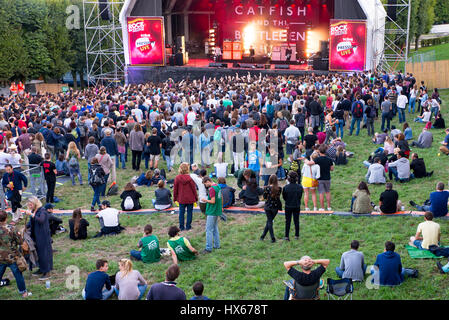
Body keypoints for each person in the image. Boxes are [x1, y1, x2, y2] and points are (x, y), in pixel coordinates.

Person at [0, 210, 31, 298]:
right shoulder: (12, 228)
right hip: (12, 256)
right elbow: (20, 242)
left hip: (0, 257)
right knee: (18, 275)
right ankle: (24, 293)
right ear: (6, 218)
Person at [25, 197, 53, 280]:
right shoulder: (35, 211)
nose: (29, 206)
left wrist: (31, 215)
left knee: (44, 254)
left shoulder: (42, 211)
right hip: (37, 235)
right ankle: (42, 269)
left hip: (43, 236)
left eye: (31, 204)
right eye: (29, 205)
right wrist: (24, 228)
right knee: (39, 253)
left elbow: (41, 220)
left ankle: (47, 272)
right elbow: (32, 222)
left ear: (35, 203)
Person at [305, 144, 334, 211]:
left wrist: (305, 160)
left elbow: (310, 163)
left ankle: (322, 208)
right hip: (327, 178)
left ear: (319, 151)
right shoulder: (329, 159)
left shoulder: (318, 159)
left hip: (320, 178)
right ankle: (329, 207)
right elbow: (332, 169)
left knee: (321, 193)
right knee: (328, 192)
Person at [173, 163, 198, 231]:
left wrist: (174, 198)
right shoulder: (190, 177)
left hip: (181, 198)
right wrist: (196, 198)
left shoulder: (177, 178)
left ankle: (181, 227)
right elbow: (194, 189)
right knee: (189, 212)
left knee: (181, 212)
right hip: (190, 198)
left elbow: (175, 189)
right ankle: (188, 226)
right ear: (187, 169)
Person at [201, 177, 222, 253]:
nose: (206, 186)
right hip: (217, 210)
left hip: (212, 211)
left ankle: (208, 248)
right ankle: (217, 245)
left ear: (208, 181)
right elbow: (220, 198)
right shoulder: (218, 186)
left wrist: (205, 200)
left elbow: (213, 201)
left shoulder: (212, 189)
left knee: (208, 230)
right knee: (215, 228)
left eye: (205, 184)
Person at [282, 171, 303, 241]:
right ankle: (297, 235)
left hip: (288, 205)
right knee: (296, 220)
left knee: (288, 221)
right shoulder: (300, 187)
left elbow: (284, 197)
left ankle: (286, 236)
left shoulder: (286, 187)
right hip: (296, 205)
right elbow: (300, 196)